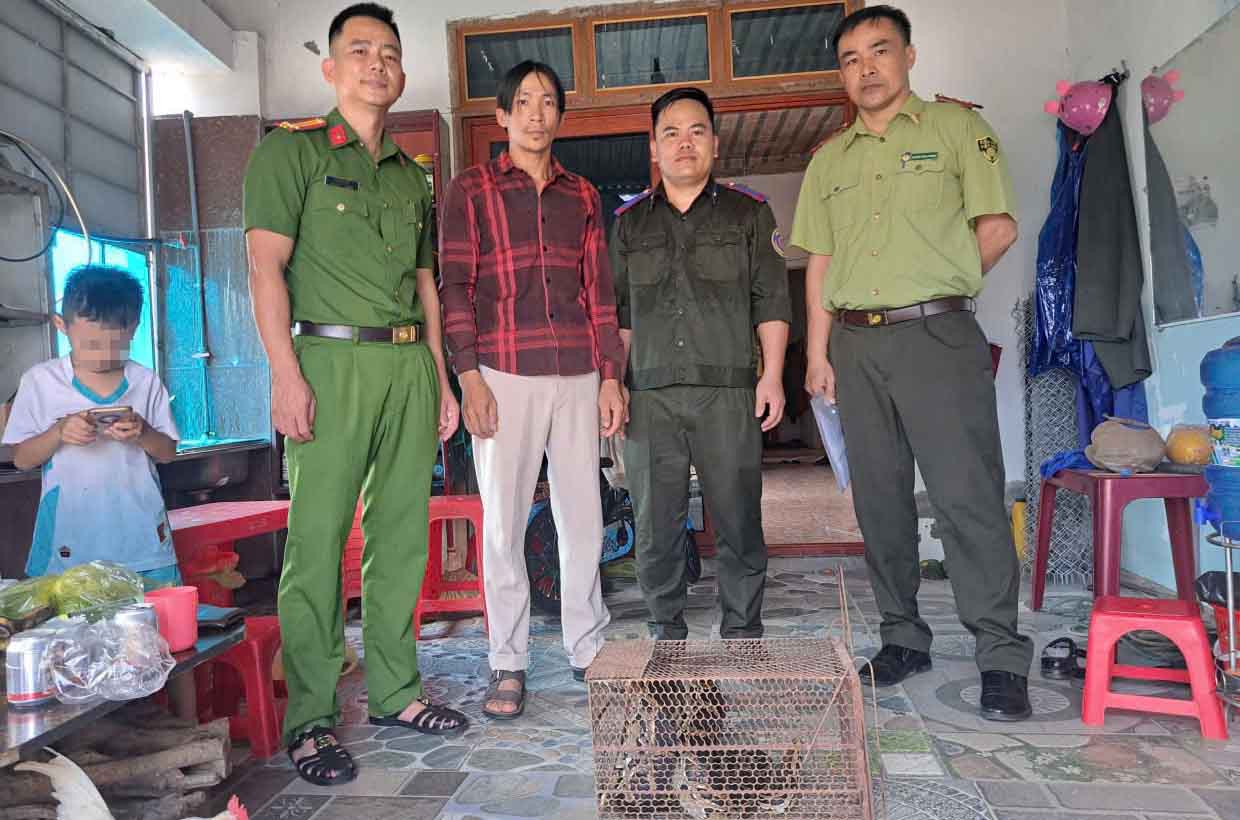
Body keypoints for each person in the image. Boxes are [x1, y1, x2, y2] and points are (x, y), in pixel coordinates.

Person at [243, 2, 467, 785]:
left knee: (401, 535)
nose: (378, 63)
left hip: (406, 363)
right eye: (360, 49)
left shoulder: (414, 177)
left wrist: (439, 378)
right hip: (328, 362)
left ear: (402, 75)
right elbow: (265, 269)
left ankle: (396, 692)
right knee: (317, 541)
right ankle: (310, 718)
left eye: (390, 53)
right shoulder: (290, 154)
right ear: (332, 68)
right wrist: (285, 374)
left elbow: (425, 283)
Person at [789, 4, 1033, 720]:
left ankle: (999, 653)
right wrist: (818, 348)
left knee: (967, 497)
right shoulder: (830, 159)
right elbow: (820, 262)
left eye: (879, 51)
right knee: (881, 501)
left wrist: (938, 281)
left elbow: (998, 227)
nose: (866, 68)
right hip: (857, 347)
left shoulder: (960, 130)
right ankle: (903, 636)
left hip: (936, 338)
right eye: (851, 59)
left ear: (909, 57)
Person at [439, 60, 626, 720]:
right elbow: (455, 287)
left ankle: (588, 646)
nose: (537, 113)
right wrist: (468, 377)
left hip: (576, 371)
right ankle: (507, 661)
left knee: (584, 521)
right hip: (502, 375)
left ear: (559, 116)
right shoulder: (472, 189)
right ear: (503, 116)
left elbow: (599, 294)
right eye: (524, 102)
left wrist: (610, 377)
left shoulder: (583, 195)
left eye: (548, 102)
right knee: (502, 527)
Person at [610, 87, 791, 641]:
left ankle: (742, 631)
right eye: (671, 133)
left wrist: (773, 376)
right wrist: (611, 385)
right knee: (656, 524)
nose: (684, 144)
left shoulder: (748, 214)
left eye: (695, 132)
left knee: (739, 518)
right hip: (649, 397)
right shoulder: (627, 225)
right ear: (654, 148)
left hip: (728, 394)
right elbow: (617, 315)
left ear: (714, 142)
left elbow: (772, 301)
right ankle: (667, 631)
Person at [3, 265, 178, 580]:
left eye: (115, 345)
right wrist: (59, 432)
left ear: (134, 328)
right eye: (90, 345)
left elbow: (167, 453)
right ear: (62, 326)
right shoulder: (40, 382)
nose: (102, 356)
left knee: (154, 625)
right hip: (68, 547)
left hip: (143, 544)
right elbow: (22, 459)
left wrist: (143, 432)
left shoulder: (145, 381)